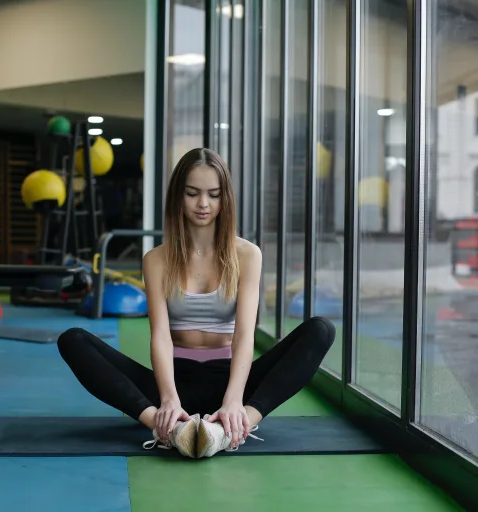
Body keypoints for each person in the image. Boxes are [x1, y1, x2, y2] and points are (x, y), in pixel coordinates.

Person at [57, 148, 336, 459]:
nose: (203, 204)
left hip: (231, 380)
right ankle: (169, 427)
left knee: (320, 330)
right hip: (174, 382)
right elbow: (160, 335)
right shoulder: (157, 260)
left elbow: (244, 334)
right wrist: (168, 400)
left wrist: (233, 400)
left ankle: (236, 426)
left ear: (224, 198)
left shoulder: (247, 255)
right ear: (179, 196)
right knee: (73, 340)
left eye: (213, 195)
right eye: (192, 193)